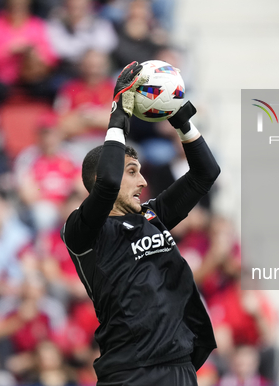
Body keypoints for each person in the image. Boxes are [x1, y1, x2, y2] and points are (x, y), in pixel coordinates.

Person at [60, 62, 219, 385]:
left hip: (179, 366)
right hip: (130, 372)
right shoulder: (82, 232)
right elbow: (106, 184)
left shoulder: (152, 216)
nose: (143, 181)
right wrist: (118, 113)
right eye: (132, 171)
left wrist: (182, 121)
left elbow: (206, 173)